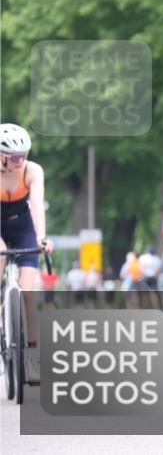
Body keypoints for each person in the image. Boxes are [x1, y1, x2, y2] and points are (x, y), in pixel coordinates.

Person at [0, 123, 54, 383]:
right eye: (14, 157)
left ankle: (32, 356)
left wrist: (42, 237)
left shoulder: (33, 171)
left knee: (28, 293)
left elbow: (37, 205)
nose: (21, 160)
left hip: (23, 227)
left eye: (24, 154)